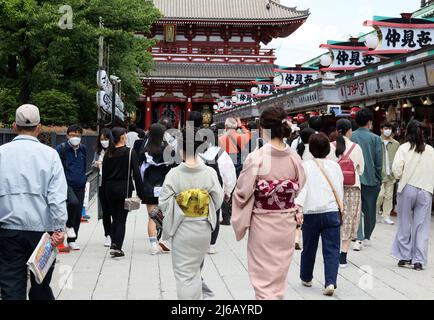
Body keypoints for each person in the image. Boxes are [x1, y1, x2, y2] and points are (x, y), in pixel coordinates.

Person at [232, 106, 306, 300]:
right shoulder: (294, 157)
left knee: (263, 280)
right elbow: (301, 184)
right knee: (278, 280)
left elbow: (242, 192)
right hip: (286, 223)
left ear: (263, 129)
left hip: (263, 223)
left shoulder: (257, 157)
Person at [0, 104, 67, 300]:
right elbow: (56, 196)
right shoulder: (50, 155)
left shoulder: (1, 153)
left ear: (14, 126)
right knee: (40, 285)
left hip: (7, 231)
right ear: (39, 128)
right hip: (42, 233)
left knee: (11, 287)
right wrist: (59, 228)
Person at [159, 127, 224, 300]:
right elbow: (218, 199)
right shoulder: (209, 172)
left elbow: (164, 203)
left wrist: (182, 201)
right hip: (203, 227)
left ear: (181, 151)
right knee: (195, 270)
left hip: (182, 228)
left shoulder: (173, 174)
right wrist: (200, 201)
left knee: (184, 274)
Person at [295, 133, 344, 297]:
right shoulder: (335, 166)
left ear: (311, 149)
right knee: (332, 249)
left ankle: (306, 277)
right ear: (328, 150)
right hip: (331, 212)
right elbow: (339, 189)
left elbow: (302, 189)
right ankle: (330, 281)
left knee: (309, 247)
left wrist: (298, 208)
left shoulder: (305, 166)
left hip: (311, 212)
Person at [391, 120, 434, 271]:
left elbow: (396, 170)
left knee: (404, 223)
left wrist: (401, 177)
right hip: (426, 190)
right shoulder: (430, 150)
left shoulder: (403, 148)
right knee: (421, 226)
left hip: (407, 188)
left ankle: (405, 256)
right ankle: (419, 260)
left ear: (407, 132)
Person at [101, 127, 145, 258]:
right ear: (121, 137)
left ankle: (114, 242)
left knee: (115, 217)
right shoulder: (130, 152)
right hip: (123, 188)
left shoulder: (108, 153)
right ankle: (117, 247)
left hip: (108, 188)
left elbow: (104, 175)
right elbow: (136, 174)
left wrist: (103, 192)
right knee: (121, 219)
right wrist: (141, 193)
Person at [332, 119, 364, 268]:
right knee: (349, 218)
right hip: (352, 187)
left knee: (334, 218)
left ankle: (332, 250)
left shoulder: (331, 146)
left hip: (334, 188)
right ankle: (343, 256)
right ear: (349, 131)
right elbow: (361, 169)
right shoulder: (356, 147)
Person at [199, 127, 237, 254]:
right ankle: (211, 244)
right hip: (216, 189)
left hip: (199, 189)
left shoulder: (195, 153)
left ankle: (199, 242)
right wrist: (228, 192)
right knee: (214, 215)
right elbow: (229, 175)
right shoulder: (221, 153)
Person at [140, 123, 175, 255]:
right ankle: (164, 241)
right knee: (166, 216)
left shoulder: (145, 151)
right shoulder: (169, 150)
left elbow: (141, 171)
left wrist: (140, 187)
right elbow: (172, 169)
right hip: (165, 187)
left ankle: (153, 245)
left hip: (149, 187)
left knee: (152, 217)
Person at [351, 108, 382, 251]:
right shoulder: (376, 138)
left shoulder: (351, 136)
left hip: (354, 179)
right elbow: (378, 162)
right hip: (371, 179)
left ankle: (359, 237)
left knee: (356, 209)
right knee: (370, 209)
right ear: (370, 122)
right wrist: (378, 178)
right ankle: (367, 236)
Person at [56, 124, 87, 251]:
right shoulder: (61, 149)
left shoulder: (83, 149)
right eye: (73, 135)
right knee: (72, 204)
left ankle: (72, 240)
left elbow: (84, 165)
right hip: (66, 184)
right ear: (68, 135)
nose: (75, 137)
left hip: (80, 183)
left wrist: (84, 181)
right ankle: (68, 226)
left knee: (78, 212)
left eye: (78, 135)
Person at [218, 117, 251, 225]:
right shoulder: (243, 137)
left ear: (226, 126)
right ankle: (236, 210)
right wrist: (240, 125)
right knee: (237, 186)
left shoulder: (221, 138)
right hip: (238, 162)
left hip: (225, 162)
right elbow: (249, 133)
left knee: (226, 186)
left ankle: (226, 211)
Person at [376, 122, 400, 226]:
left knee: (389, 196)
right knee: (380, 195)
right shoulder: (376, 141)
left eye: (389, 128)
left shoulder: (396, 144)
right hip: (379, 174)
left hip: (391, 174)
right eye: (386, 128)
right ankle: (375, 212)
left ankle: (386, 216)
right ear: (381, 129)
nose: (388, 130)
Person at [92, 128, 113, 247]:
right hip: (102, 184)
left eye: (106, 139)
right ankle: (108, 235)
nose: (104, 141)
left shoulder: (115, 151)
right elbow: (92, 166)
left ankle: (114, 233)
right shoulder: (98, 152)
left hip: (113, 183)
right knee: (105, 211)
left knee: (113, 211)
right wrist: (96, 164)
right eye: (102, 139)